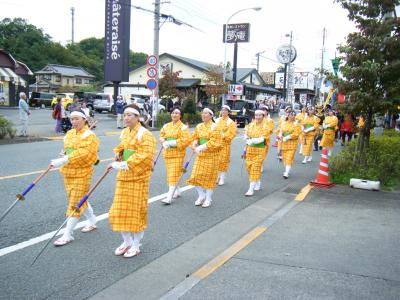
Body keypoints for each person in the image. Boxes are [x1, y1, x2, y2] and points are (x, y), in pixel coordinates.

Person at [108, 104, 156, 258]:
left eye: (130, 115)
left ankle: (136, 244)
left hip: (138, 178)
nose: (126, 117)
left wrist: (123, 163)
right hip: (123, 177)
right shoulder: (124, 132)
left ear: (138, 117)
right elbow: (121, 147)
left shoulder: (145, 134)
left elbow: (145, 156)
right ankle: (127, 241)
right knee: (120, 210)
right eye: (125, 115)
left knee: (136, 212)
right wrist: (118, 154)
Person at [49, 109, 100, 246]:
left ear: (84, 120)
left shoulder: (90, 136)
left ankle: (67, 234)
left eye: (77, 118)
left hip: (82, 173)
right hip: (68, 172)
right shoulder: (70, 133)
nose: (74, 122)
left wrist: (65, 159)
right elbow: (67, 148)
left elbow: (85, 153)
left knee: (74, 202)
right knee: (78, 198)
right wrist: (63, 154)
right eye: (72, 119)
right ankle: (92, 220)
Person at [186, 108, 222, 208]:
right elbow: (194, 137)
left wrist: (202, 147)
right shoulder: (199, 126)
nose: (203, 115)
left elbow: (215, 142)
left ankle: (208, 198)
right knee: (194, 176)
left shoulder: (215, 127)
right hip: (201, 155)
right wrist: (194, 142)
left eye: (206, 113)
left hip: (211, 155)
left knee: (209, 178)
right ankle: (202, 195)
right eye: (203, 113)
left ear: (211, 115)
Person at [159, 107, 190, 204]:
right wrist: (163, 141)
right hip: (167, 153)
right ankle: (177, 191)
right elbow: (161, 135)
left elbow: (185, 140)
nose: (174, 115)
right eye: (173, 113)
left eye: (177, 113)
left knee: (173, 174)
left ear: (180, 115)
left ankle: (169, 197)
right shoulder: (166, 126)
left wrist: (171, 143)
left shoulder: (183, 127)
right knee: (171, 174)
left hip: (178, 154)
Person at [243, 109, 269, 196]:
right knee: (249, 168)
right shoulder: (251, 125)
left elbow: (263, 138)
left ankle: (251, 189)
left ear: (263, 116)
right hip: (250, 150)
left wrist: (252, 141)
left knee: (255, 168)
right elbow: (246, 131)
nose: (257, 117)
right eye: (256, 115)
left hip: (260, 151)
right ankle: (257, 181)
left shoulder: (266, 126)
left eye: (259, 115)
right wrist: (246, 136)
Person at [215, 105, 237, 185]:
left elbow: (232, 133)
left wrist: (224, 135)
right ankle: (217, 177)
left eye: (225, 110)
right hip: (216, 144)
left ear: (228, 112)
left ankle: (222, 178)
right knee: (216, 161)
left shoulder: (231, 122)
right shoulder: (216, 120)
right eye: (222, 110)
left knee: (223, 161)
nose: (223, 112)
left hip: (225, 144)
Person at [279, 111, 301, 179]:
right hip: (284, 143)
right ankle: (287, 169)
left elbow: (296, 134)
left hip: (292, 143)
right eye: (291, 115)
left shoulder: (296, 124)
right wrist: (280, 135)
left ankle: (286, 172)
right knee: (285, 158)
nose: (292, 116)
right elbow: (280, 131)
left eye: (294, 115)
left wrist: (288, 137)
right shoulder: (283, 123)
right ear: (288, 116)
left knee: (289, 157)